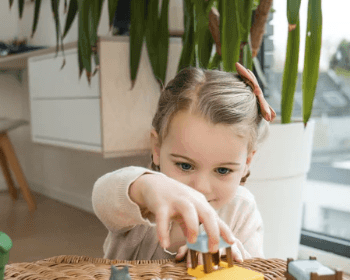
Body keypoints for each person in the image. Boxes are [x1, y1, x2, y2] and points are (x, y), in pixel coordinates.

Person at [92, 62, 275, 264]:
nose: (201, 188)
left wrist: (231, 258)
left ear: (247, 162)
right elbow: (102, 197)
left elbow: (258, 274)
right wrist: (143, 188)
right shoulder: (144, 199)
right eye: (185, 166)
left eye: (223, 170)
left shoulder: (241, 209)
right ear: (157, 148)